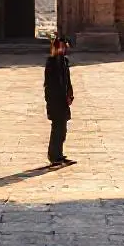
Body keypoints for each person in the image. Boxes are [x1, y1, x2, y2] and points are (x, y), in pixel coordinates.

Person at [43, 34, 75, 165]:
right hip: (55, 101)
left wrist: (70, 94)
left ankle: (59, 154)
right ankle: (53, 156)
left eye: (63, 47)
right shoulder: (51, 63)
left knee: (62, 129)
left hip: (63, 100)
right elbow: (48, 86)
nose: (62, 50)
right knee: (57, 128)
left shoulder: (64, 61)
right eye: (59, 47)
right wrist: (51, 101)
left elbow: (67, 80)